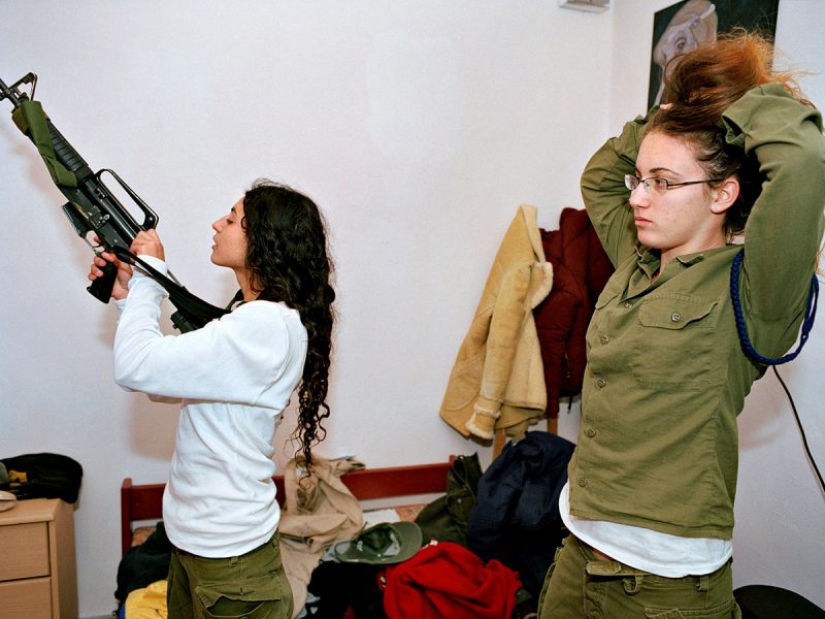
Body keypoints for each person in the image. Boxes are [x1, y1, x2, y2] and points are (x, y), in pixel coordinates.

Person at [537, 32, 825, 618]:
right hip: (578, 547)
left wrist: (731, 98)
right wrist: (667, 111)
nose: (640, 196)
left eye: (663, 183)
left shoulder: (751, 292)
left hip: (664, 584)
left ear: (723, 193)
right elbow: (599, 176)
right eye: (640, 179)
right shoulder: (636, 258)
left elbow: (803, 162)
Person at [90, 179, 336, 619]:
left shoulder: (267, 325)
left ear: (265, 240)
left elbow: (134, 368)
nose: (217, 224)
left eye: (232, 219)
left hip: (230, 559)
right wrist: (130, 302)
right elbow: (163, 381)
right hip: (196, 545)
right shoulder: (247, 316)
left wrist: (150, 278)